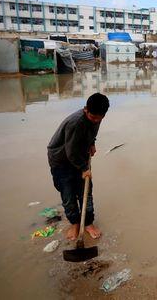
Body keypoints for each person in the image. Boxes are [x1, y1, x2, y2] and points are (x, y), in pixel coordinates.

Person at [47, 93, 109, 240]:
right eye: (92, 117)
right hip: (61, 160)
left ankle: (88, 223)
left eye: (98, 118)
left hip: (79, 156)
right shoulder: (75, 123)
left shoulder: (96, 118)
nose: (95, 120)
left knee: (85, 192)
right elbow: (70, 152)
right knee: (68, 194)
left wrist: (92, 143)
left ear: (103, 115)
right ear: (85, 109)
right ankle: (75, 223)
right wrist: (84, 169)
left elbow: (92, 131)